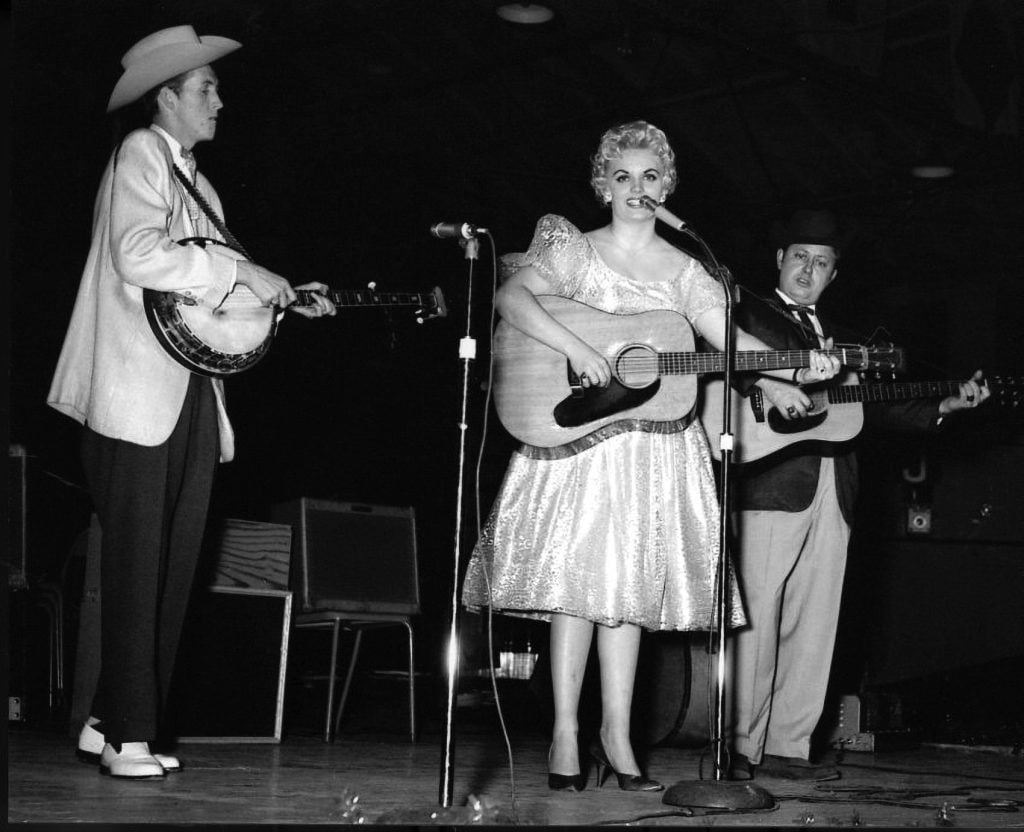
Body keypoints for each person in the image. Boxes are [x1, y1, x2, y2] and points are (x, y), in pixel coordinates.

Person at [461, 121, 841, 793]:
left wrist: (789, 373)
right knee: (573, 593)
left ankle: (616, 734)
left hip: (656, 452)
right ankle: (565, 736)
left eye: (652, 177)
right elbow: (510, 298)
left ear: (669, 186)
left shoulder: (688, 269)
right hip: (579, 444)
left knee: (629, 596)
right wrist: (578, 348)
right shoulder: (576, 250)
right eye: (624, 176)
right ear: (602, 184)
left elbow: (731, 340)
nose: (638, 188)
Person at [47, 25, 336, 779]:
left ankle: (108, 721)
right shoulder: (140, 153)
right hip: (134, 392)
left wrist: (280, 296)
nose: (218, 99)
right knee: (142, 565)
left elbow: (215, 293)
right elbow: (138, 254)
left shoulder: (197, 184)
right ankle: (131, 740)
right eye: (205, 87)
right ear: (166, 96)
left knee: (170, 564)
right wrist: (235, 271)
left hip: (190, 395)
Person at [724, 208, 989, 781]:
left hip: (835, 490)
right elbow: (722, 368)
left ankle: (788, 747)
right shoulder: (745, 312)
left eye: (821, 263)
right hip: (771, 486)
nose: (808, 268)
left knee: (816, 624)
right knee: (758, 620)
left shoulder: (844, 339)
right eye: (800, 257)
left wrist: (946, 405)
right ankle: (741, 747)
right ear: (779, 259)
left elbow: (877, 409)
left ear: (833, 275)